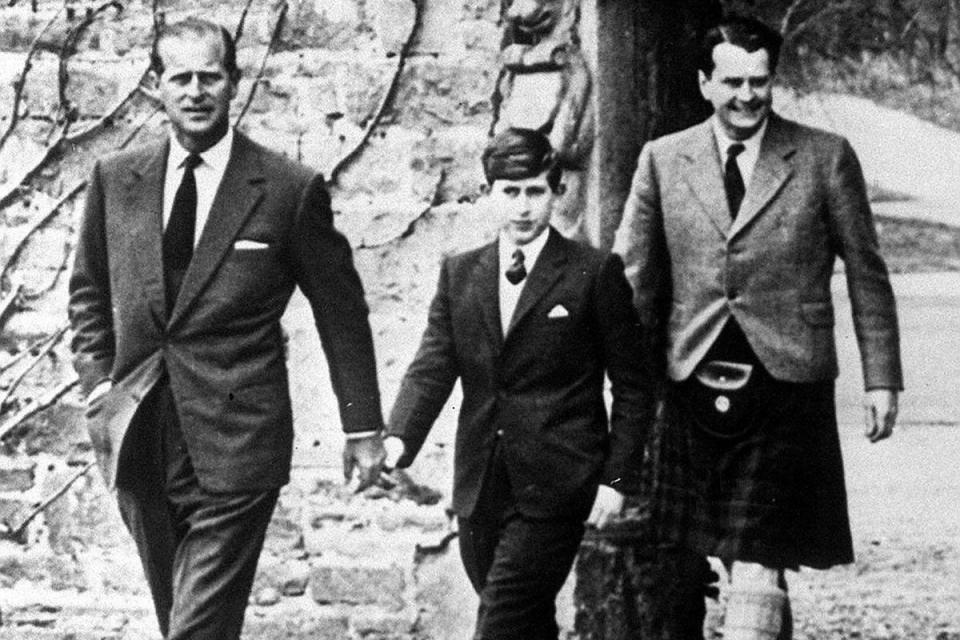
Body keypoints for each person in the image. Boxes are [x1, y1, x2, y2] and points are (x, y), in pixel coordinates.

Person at [67, 17, 385, 639]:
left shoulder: (287, 191)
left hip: (239, 440)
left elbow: (341, 313)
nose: (195, 91)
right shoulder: (116, 179)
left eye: (209, 76)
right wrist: (98, 383)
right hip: (140, 436)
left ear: (234, 83)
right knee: (182, 622)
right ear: (155, 86)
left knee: (195, 630)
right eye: (179, 77)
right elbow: (87, 290)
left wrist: (363, 426)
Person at [612, 14, 903, 640]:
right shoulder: (663, 160)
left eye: (760, 82)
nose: (747, 96)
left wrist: (883, 380)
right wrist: (616, 376)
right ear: (704, 84)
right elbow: (630, 278)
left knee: (756, 559)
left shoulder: (825, 157)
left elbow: (867, 272)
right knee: (729, 557)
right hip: (690, 377)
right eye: (733, 82)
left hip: (787, 383)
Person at [383, 127, 654, 640]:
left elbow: (634, 386)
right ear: (489, 192)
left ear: (556, 192)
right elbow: (433, 366)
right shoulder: (460, 274)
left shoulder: (593, 273)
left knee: (500, 624)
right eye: (510, 191)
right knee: (525, 624)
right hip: (480, 486)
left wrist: (616, 480)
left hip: (556, 485)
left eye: (535, 191)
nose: (523, 207)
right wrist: (398, 439)